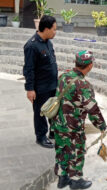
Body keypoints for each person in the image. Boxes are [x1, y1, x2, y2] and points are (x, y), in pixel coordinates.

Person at [51, 50, 106, 190]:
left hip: (58, 123)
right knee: (76, 151)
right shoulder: (83, 85)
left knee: (62, 149)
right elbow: (93, 109)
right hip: (73, 127)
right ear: (90, 65)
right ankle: (76, 181)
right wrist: (101, 125)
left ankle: (62, 178)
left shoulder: (63, 76)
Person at [23, 15, 57, 148]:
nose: (55, 32)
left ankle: (52, 132)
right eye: (54, 29)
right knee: (40, 112)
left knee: (53, 110)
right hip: (40, 87)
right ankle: (41, 136)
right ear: (46, 29)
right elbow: (29, 69)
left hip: (52, 84)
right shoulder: (31, 46)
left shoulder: (49, 42)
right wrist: (30, 89)